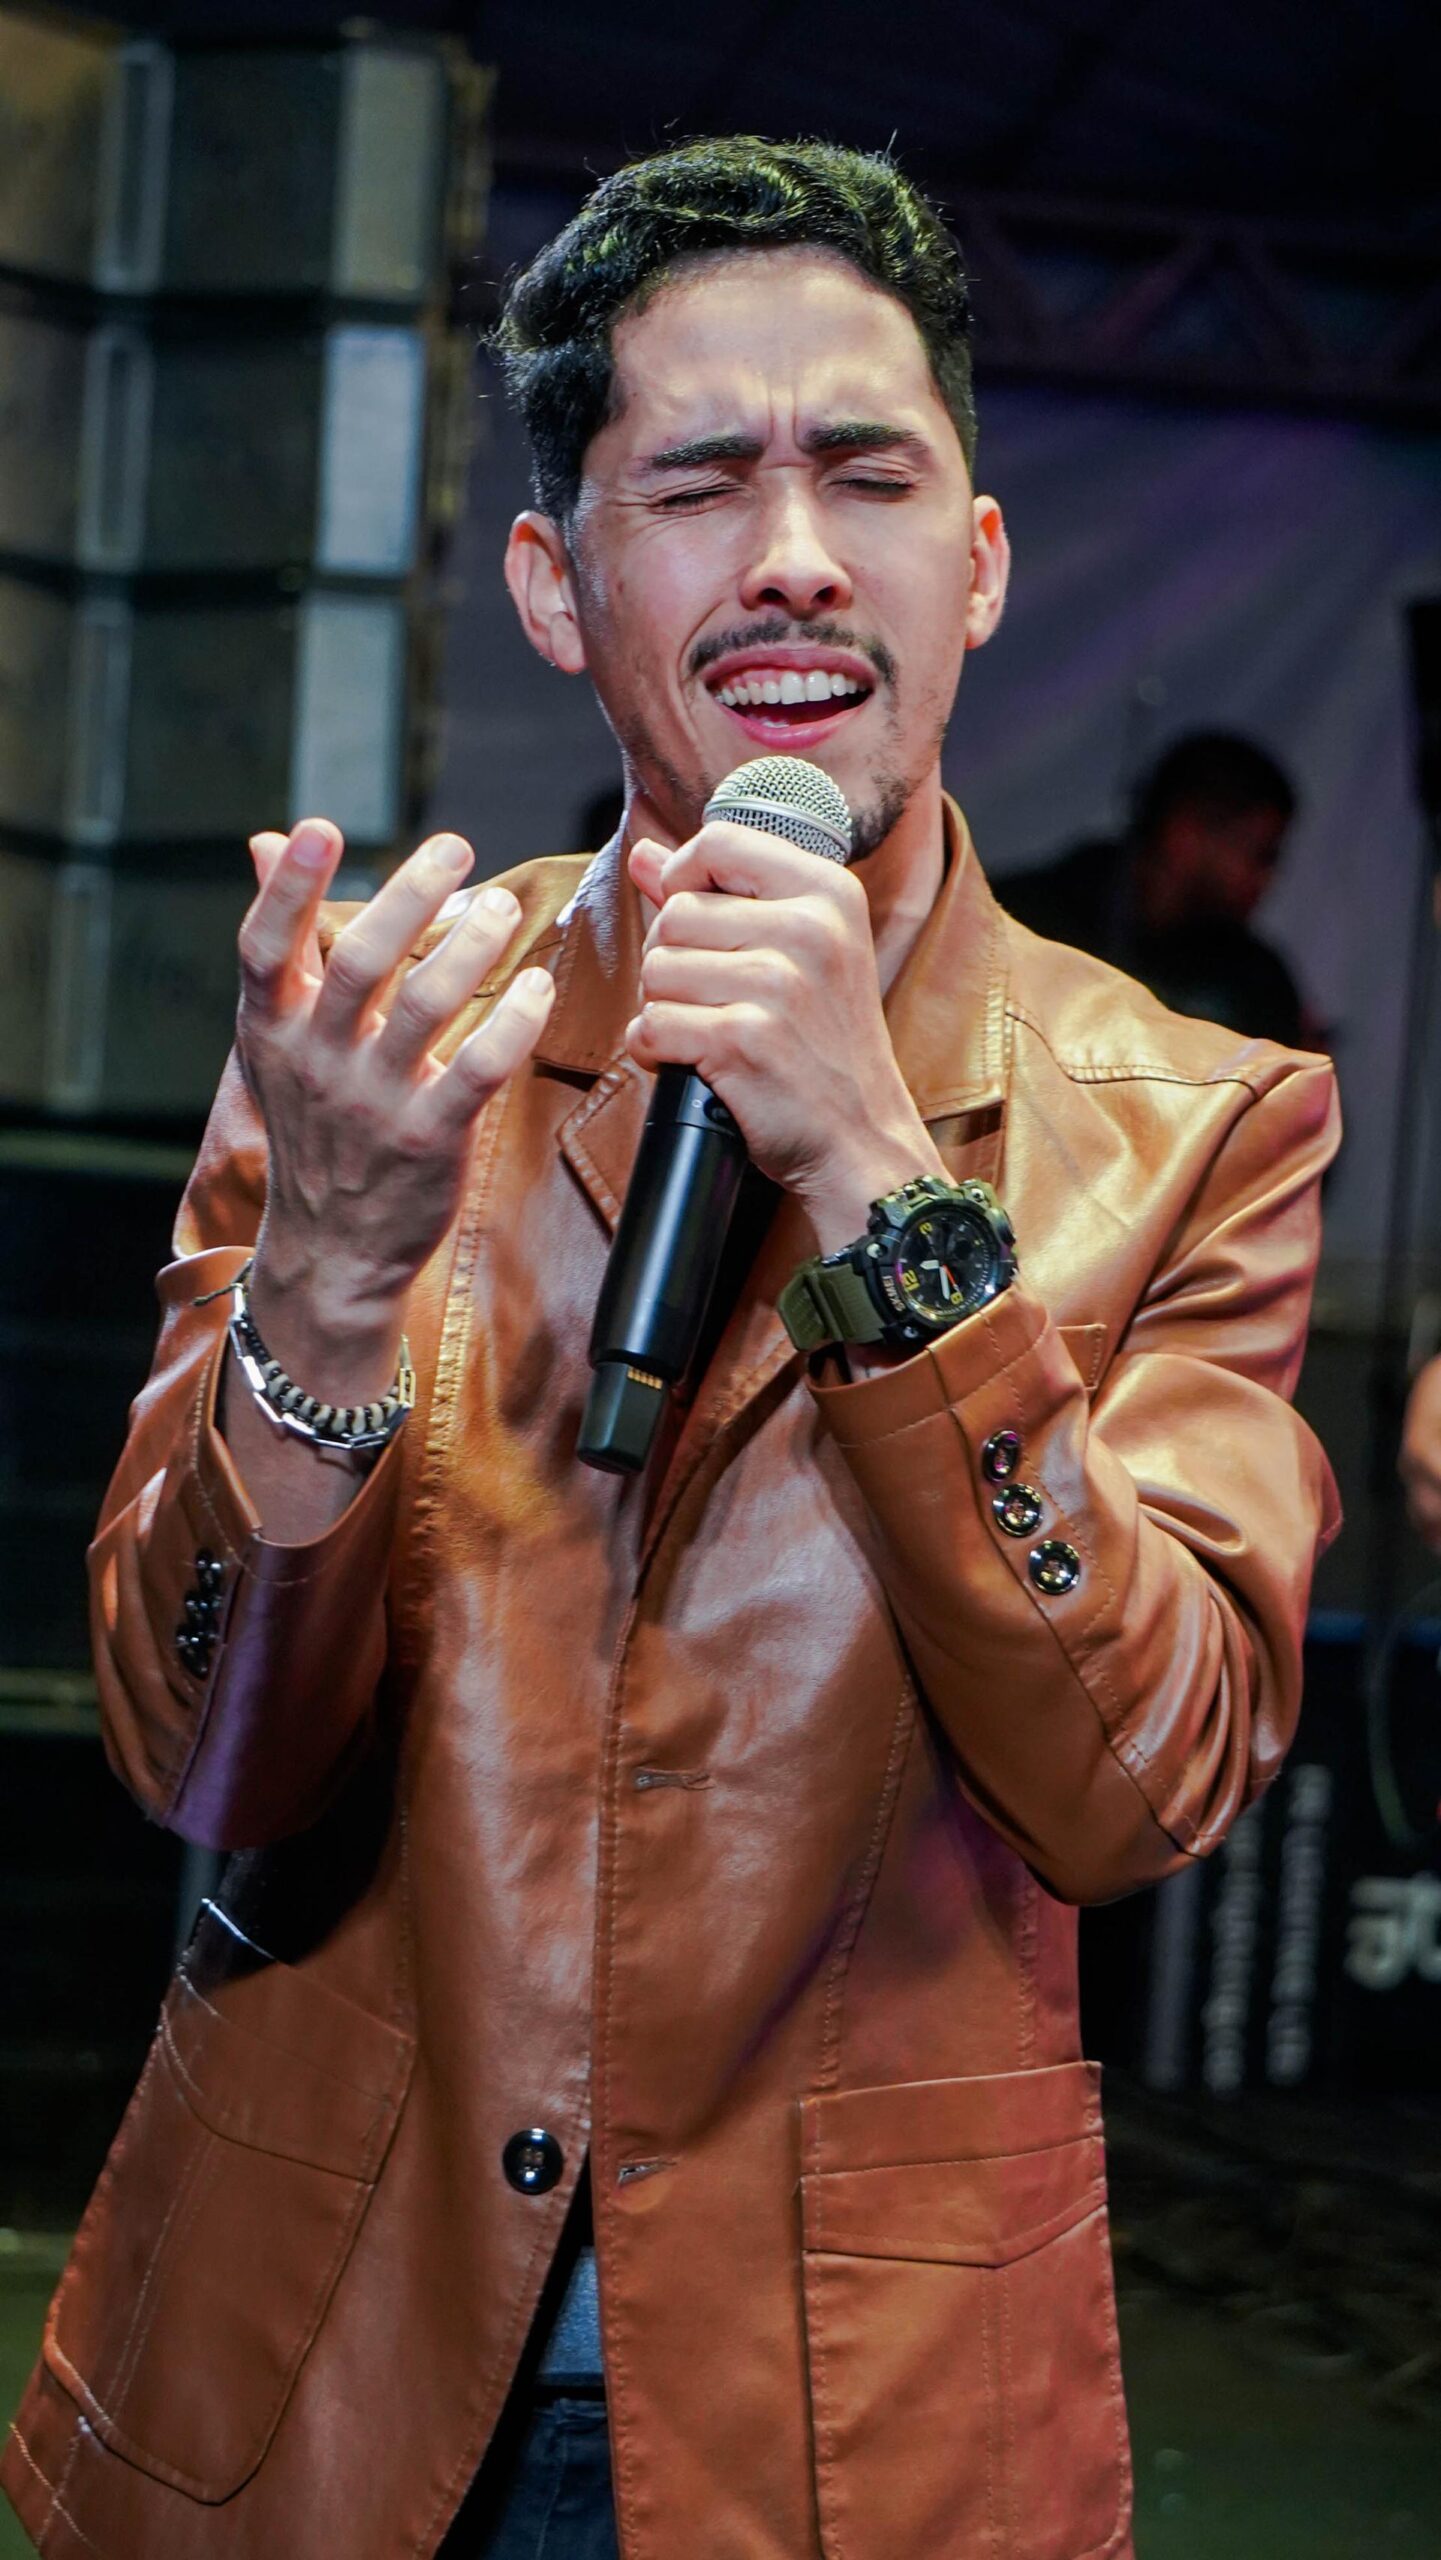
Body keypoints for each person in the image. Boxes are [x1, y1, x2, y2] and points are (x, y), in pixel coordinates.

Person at [3, 139, 1340, 2560]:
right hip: (321, 2357)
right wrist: (327, 1290)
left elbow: (1139, 1781)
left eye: (868, 475)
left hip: (841, 2413)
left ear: (979, 560)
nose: (795, 552)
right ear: (554, 581)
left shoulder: (1197, 1124)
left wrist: (881, 1187)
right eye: (701, 482)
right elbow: (193, 1747)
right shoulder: (381, 1041)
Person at [1000, 730, 1317, 1047]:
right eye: (1262, 855)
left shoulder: (1255, 981)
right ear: (1186, 832)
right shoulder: (1021, 922)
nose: (1267, 879)